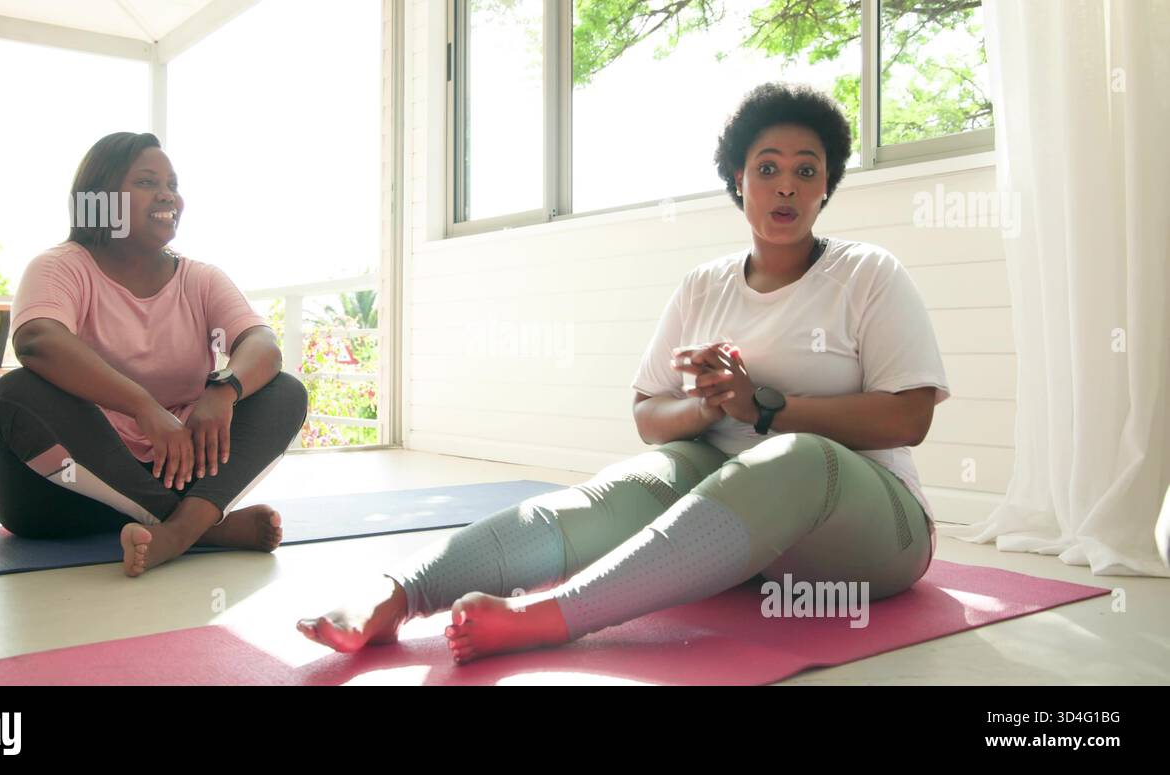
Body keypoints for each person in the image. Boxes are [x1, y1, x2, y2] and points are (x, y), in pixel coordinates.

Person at [297, 82, 949, 664]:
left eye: (806, 171)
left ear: (825, 186)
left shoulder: (868, 273)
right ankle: (395, 596)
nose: (786, 186)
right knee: (630, 485)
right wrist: (710, 404)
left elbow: (909, 416)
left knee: (794, 455)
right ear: (738, 179)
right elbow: (647, 414)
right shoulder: (705, 285)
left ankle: (549, 617)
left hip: (870, 534)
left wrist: (768, 408)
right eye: (768, 168)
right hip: (747, 535)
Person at [0, 132, 307, 577]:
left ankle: (175, 530)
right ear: (100, 199)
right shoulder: (60, 267)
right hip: (62, 492)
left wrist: (224, 389)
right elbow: (37, 340)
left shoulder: (202, 279)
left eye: (172, 184)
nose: (167, 195)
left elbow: (262, 346)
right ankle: (202, 527)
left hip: (175, 469)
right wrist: (144, 407)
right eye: (146, 182)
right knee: (13, 394)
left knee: (284, 391)